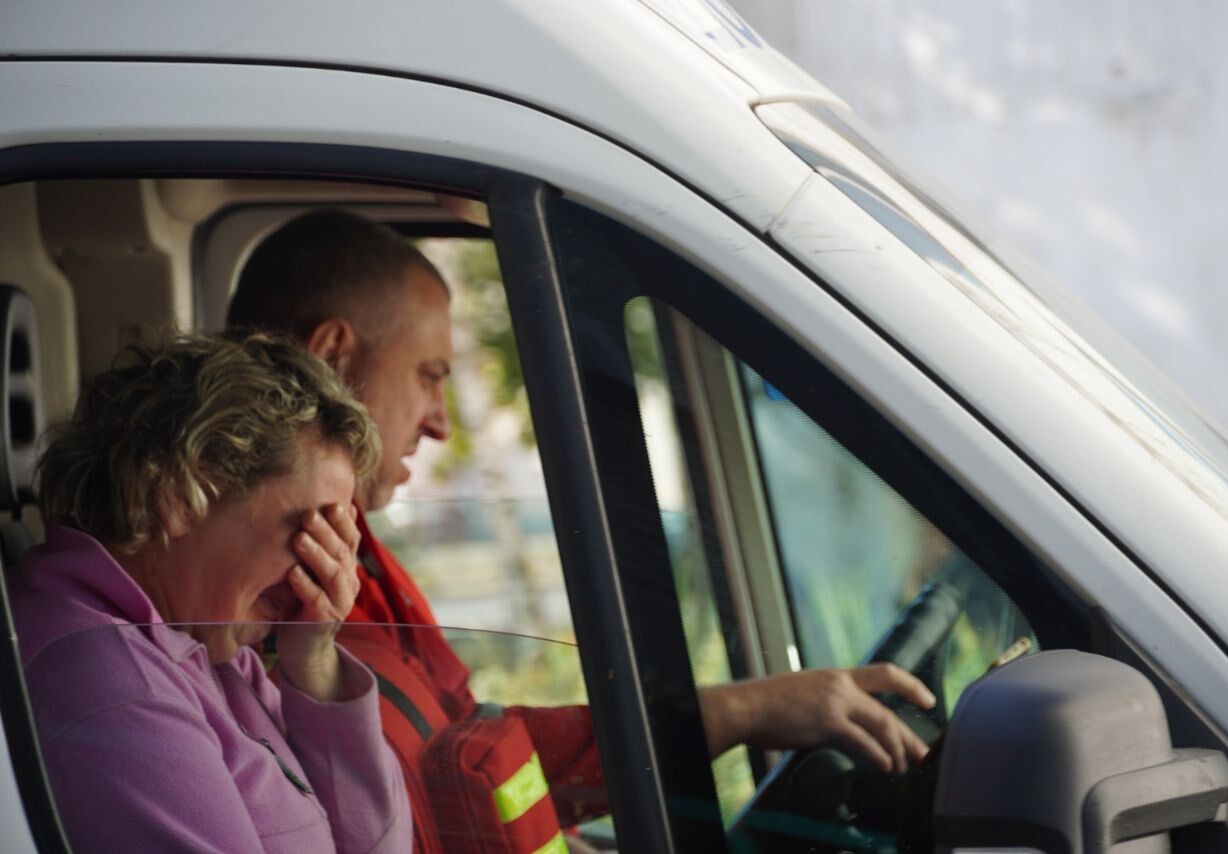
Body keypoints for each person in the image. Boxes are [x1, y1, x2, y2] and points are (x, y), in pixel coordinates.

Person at [227, 210, 936, 853]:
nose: (440, 421)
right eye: (429, 375)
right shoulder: (253, 609)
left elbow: (481, 755)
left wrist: (749, 711)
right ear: (332, 356)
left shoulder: (354, 560)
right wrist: (745, 711)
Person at [10, 333, 411, 853]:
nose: (327, 567)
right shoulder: (114, 684)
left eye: (339, 536)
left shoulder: (209, 651)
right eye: (309, 530)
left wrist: (313, 660)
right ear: (182, 495)